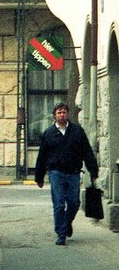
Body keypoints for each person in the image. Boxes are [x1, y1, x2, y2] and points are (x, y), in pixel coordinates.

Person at [34, 102, 99, 245]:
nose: (62, 115)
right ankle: (61, 234)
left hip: (73, 173)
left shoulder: (77, 131)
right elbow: (42, 156)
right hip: (56, 173)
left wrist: (93, 171)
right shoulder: (49, 133)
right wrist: (39, 177)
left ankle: (66, 223)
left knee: (74, 202)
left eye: (64, 112)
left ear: (68, 114)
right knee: (58, 204)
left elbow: (87, 152)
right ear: (54, 115)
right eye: (59, 112)